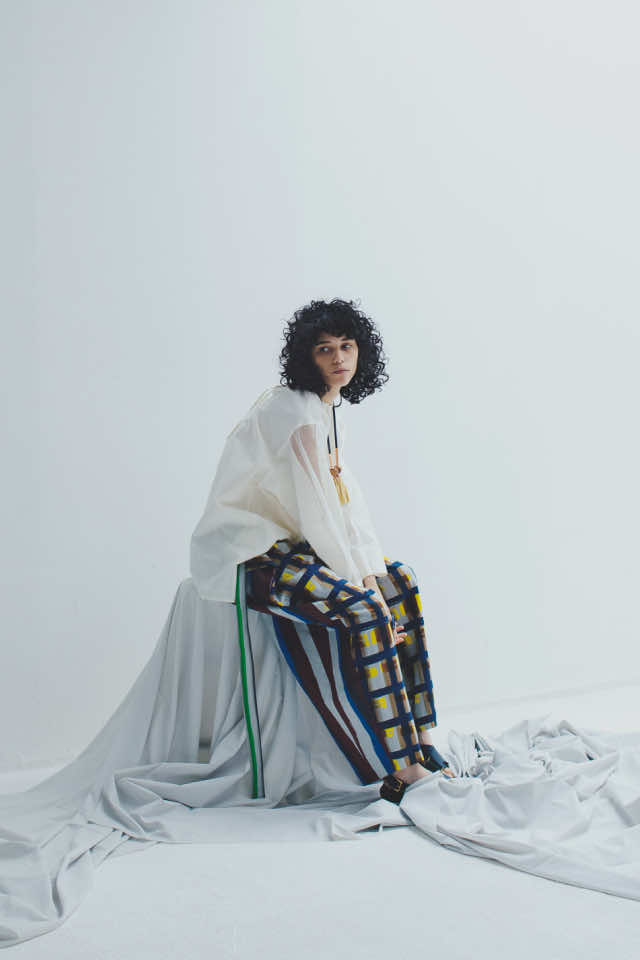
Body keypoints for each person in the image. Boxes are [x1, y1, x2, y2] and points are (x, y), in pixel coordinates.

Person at [190, 298, 454, 802]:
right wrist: (365, 591)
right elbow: (320, 513)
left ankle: (421, 740)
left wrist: (373, 576)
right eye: (325, 349)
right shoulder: (293, 410)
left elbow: (346, 505)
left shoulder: (326, 409)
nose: (338, 358)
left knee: (400, 582)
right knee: (366, 611)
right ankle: (401, 767)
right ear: (305, 357)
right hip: (248, 554)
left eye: (347, 346)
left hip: (295, 547)